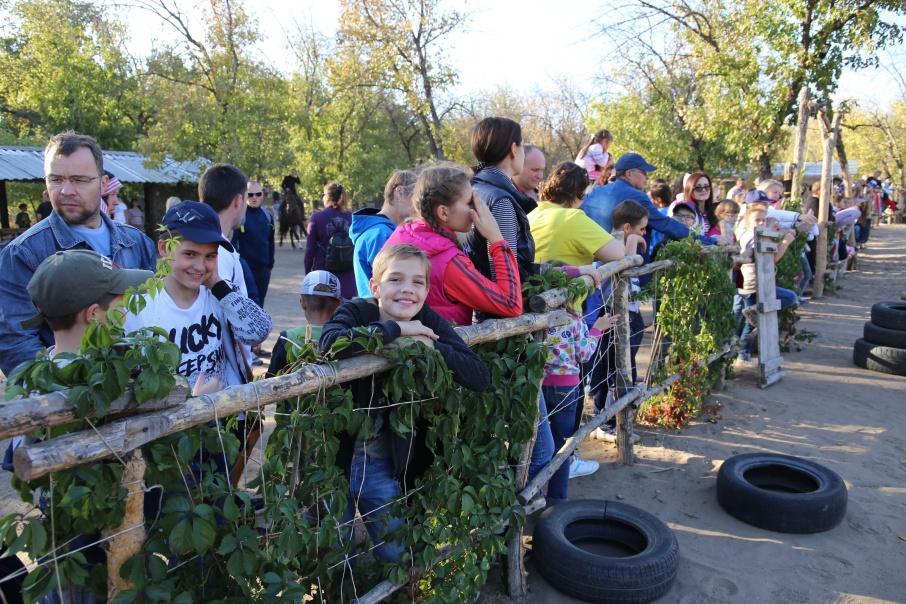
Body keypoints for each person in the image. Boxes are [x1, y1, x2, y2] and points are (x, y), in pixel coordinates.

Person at [319, 243, 490, 562]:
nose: (407, 290)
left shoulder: (427, 320)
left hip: (384, 463)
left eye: (417, 282)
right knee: (334, 552)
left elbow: (479, 376)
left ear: (426, 290)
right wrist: (396, 329)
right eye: (395, 279)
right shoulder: (357, 311)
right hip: (332, 459)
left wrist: (426, 345)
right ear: (375, 286)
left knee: (396, 551)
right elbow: (330, 344)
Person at [0, 131, 156, 377]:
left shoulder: (137, 242)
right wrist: (75, 390)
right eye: (55, 180)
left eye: (79, 179)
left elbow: (154, 314)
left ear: (103, 183)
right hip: (72, 402)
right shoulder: (23, 253)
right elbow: (16, 345)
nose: (66, 191)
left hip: (140, 393)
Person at [123, 201, 272, 389]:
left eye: (210, 256)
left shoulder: (218, 296)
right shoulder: (139, 308)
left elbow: (258, 333)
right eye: (190, 254)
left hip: (225, 413)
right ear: (164, 249)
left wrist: (218, 284)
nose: (200, 266)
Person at [384, 164, 523, 326]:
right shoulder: (447, 261)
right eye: (469, 202)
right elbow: (511, 304)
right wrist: (496, 238)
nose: (476, 209)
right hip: (442, 348)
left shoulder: (402, 233)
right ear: (443, 212)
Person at [581, 153, 716, 262]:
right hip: (629, 268)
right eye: (644, 172)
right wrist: (710, 241)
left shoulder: (594, 192)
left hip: (594, 266)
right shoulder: (638, 196)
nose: (647, 177)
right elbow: (665, 224)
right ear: (629, 173)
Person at [199, 163, 265, 373]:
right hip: (222, 377)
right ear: (238, 201)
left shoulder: (199, 248)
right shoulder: (219, 253)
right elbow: (224, 320)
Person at [467, 116, 537, 284]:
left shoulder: (471, 188)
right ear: (514, 149)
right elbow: (505, 275)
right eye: (522, 146)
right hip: (498, 307)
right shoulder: (500, 201)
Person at [528, 161, 625, 267]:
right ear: (581, 194)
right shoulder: (571, 217)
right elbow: (618, 253)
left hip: (527, 280)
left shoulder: (532, 213)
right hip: (560, 282)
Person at [734, 206, 798, 363]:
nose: (761, 222)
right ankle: (742, 353)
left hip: (753, 283)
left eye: (763, 220)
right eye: (757, 220)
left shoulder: (758, 234)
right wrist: (786, 242)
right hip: (753, 284)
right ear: (748, 223)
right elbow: (772, 258)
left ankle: (742, 351)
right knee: (755, 320)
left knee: (749, 320)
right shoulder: (752, 236)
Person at [350, 170, 417, 297]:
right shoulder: (382, 234)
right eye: (415, 198)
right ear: (400, 192)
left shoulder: (377, 230)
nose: (418, 206)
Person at [266, 270, 343, 378]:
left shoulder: (288, 339)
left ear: (302, 303)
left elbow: (270, 380)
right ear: (338, 305)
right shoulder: (347, 337)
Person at [305, 182, 356, 298]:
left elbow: (310, 250)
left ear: (326, 197)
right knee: (345, 312)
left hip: (323, 275)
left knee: (324, 311)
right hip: (348, 275)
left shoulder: (317, 218)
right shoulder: (352, 217)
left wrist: (308, 273)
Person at [232, 180, 275, 305]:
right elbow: (232, 245)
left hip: (263, 270)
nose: (254, 197)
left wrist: (270, 264)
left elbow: (270, 241)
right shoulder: (240, 216)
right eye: (250, 195)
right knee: (249, 305)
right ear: (244, 196)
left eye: (258, 194)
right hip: (246, 270)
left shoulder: (267, 215)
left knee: (260, 305)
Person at [513, 144, 546, 211]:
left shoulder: (545, 196)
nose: (540, 176)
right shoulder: (506, 198)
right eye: (535, 170)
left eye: (542, 170)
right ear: (519, 165)